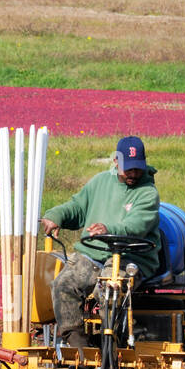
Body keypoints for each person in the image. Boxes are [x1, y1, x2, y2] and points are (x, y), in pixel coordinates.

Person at [40, 135, 162, 349]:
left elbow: (136, 227)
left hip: (131, 257)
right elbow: (77, 207)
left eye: (137, 168)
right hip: (94, 254)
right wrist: (55, 215)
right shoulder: (100, 182)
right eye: (128, 168)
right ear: (116, 161)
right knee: (63, 284)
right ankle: (81, 350)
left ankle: (112, 347)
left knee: (109, 288)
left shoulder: (148, 193)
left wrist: (109, 229)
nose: (133, 174)